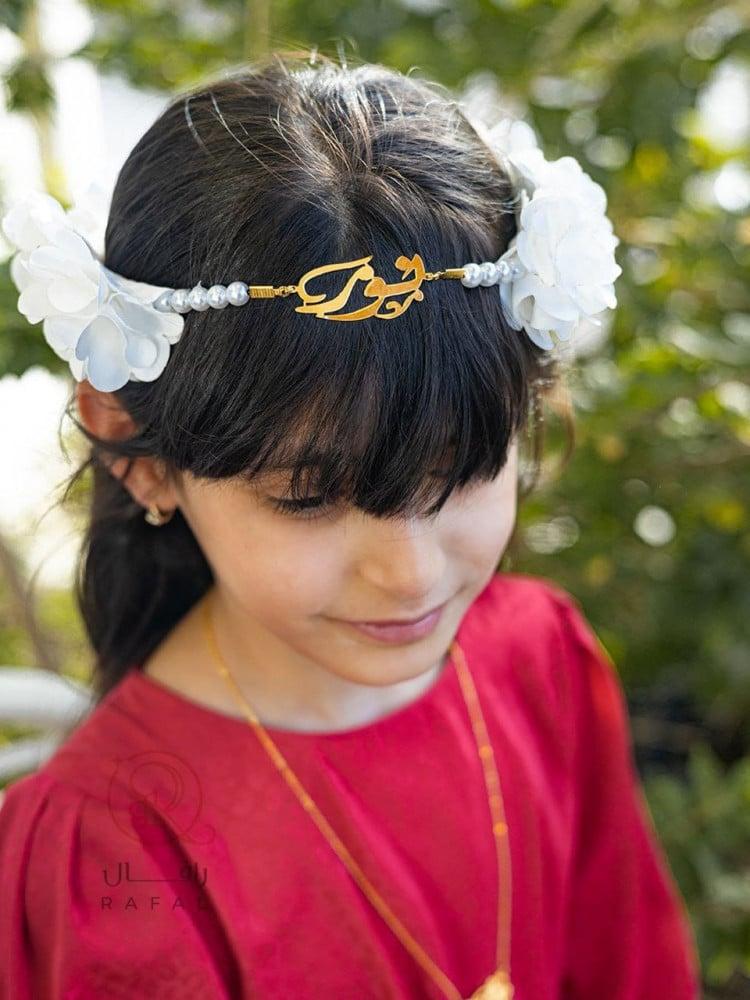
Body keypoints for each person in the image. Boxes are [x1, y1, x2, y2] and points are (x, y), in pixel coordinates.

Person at [0, 50, 700, 999]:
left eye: (462, 473)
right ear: (138, 450)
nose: (410, 575)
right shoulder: (114, 849)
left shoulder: (540, 659)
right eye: (308, 499)